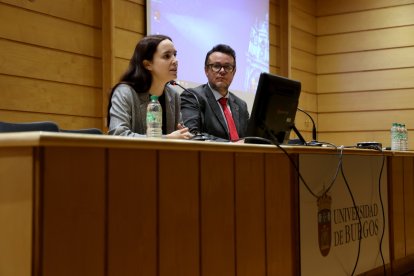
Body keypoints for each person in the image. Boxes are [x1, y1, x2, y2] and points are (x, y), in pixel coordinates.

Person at [107, 34, 191, 139]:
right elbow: (118, 135)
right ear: (147, 64)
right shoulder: (125, 92)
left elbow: (179, 134)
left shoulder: (173, 95)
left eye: (175, 54)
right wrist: (167, 138)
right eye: (167, 56)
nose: (175, 61)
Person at [180, 44, 249, 141]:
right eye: (216, 66)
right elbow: (191, 134)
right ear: (206, 70)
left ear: (234, 72)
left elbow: (249, 138)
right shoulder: (192, 96)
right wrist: (231, 145)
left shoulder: (241, 105)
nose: (222, 71)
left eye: (227, 67)